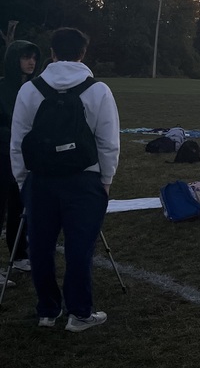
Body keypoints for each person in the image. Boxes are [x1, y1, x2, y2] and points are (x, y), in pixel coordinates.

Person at [10, 27, 120, 331]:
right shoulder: (98, 90)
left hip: (40, 180)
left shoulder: (30, 90)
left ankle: (47, 310)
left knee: (41, 247)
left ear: (52, 53)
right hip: (83, 181)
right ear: (82, 53)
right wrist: (105, 180)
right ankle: (79, 313)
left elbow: (19, 141)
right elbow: (108, 142)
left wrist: (23, 182)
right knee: (79, 247)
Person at [1, 39, 41, 284]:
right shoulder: (3, 88)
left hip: (26, 157)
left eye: (34, 58)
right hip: (3, 156)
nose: (31, 62)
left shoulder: (35, 88)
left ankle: (19, 255)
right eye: (26, 57)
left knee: (19, 205)